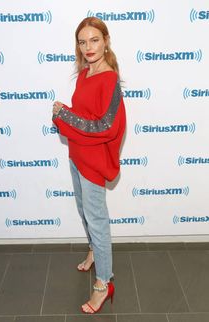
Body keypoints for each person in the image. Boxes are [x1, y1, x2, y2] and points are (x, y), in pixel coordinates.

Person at [52, 16, 126, 314]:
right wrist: (65, 110)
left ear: (105, 41)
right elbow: (85, 115)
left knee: (97, 220)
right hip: (77, 155)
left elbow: (104, 126)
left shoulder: (109, 79)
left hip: (93, 162)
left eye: (94, 40)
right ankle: (95, 250)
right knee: (85, 211)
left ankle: (103, 283)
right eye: (82, 42)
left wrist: (62, 116)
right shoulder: (84, 73)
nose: (88, 47)